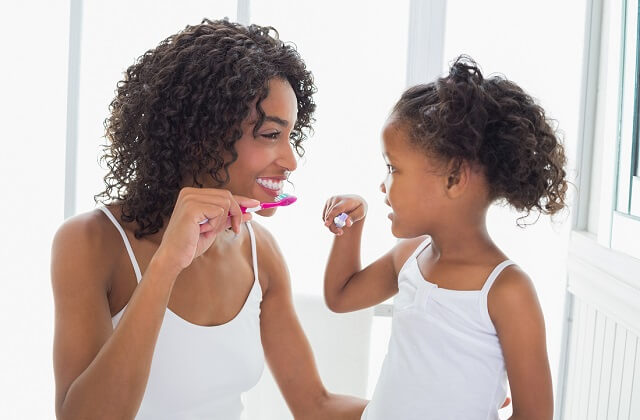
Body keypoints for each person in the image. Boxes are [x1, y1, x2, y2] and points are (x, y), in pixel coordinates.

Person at [51, 19, 366, 420]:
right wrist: (167, 264)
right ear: (202, 136)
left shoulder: (260, 251)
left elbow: (315, 405)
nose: (290, 160)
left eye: (291, 137)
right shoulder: (91, 241)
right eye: (271, 134)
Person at [321, 56, 565, 420]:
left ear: (453, 178)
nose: (383, 184)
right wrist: (350, 229)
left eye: (393, 168)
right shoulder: (410, 255)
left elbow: (535, 416)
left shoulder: (507, 291)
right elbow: (340, 297)